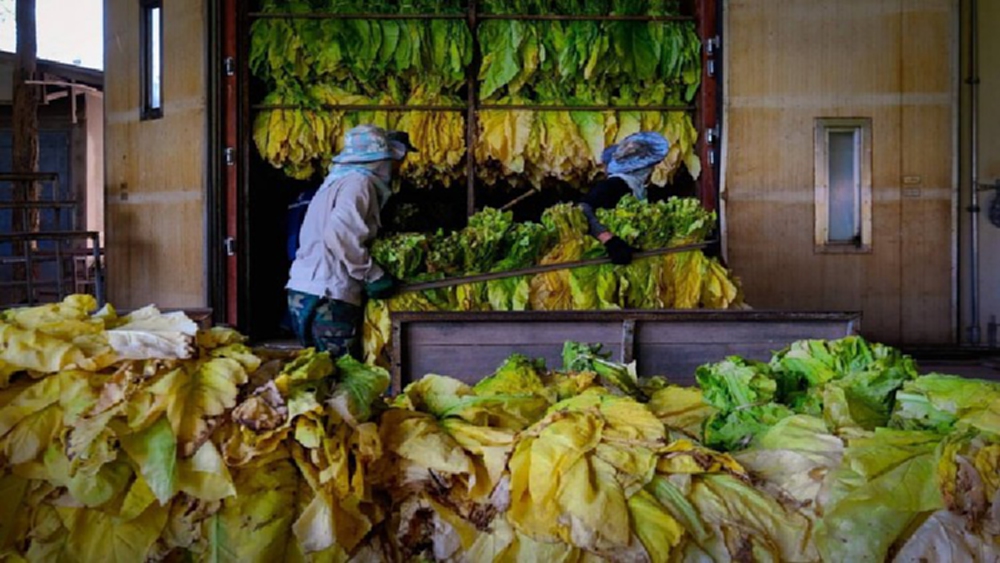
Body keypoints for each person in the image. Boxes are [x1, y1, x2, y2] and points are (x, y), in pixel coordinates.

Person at [285, 124, 411, 357]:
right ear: (380, 160)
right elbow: (340, 234)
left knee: (321, 371)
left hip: (305, 289)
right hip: (329, 295)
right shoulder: (359, 184)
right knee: (342, 375)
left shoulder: (337, 181)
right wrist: (373, 274)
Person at [580, 131, 670, 265]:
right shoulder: (612, 186)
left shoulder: (638, 188)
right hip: (608, 259)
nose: (651, 170)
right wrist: (609, 240)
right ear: (641, 167)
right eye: (651, 166)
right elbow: (584, 209)